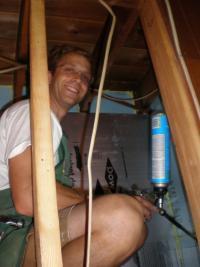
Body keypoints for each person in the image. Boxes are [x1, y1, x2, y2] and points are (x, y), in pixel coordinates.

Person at [0, 45, 157, 266]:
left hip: (31, 230)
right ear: (48, 76)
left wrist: (102, 203)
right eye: (69, 69)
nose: (78, 79)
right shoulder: (30, 112)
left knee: (134, 229)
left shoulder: (53, 130)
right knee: (122, 217)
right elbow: (28, 197)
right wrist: (101, 203)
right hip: (12, 234)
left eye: (85, 76)